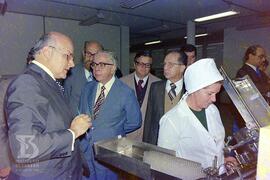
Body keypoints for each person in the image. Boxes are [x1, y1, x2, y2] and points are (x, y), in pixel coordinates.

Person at [5, 32, 91, 179]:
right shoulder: (27, 84)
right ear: (47, 52)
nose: (72, 64)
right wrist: (73, 132)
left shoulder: (48, 83)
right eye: (68, 56)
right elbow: (25, 148)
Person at [158, 58, 236, 174]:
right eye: (210, 94)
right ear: (194, 90)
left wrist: (223, 159)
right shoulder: (171, 120)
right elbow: (165, 163)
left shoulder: (213, 110)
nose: (214, 99)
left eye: (216, 93)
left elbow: (215, 143)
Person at [79, 50, 142, 180]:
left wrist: (114, 130)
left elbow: (135, 121)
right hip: (86, 149)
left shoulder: (125, 92)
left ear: (113, 68)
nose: (96, 68)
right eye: (94, 64)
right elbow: (81, 112)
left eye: (102, 64)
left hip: (109, 150)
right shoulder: (88, 87)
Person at [143, 51, 187, 145]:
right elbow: (149, 119)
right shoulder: (155, 87)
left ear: (182, 68)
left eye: (170, 64)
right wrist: (145, 145)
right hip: (157, 143)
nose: (165, 67)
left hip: (180, 145)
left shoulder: (189, 90)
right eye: (165, 64)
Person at [121, 51, 160, 141]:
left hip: (147, 136)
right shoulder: (122, 82)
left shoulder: (158, 84)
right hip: (126, 134)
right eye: (140, 64)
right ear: (134, 64)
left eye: (147, 65)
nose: (143, 67)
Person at [64, 41, 103, 116]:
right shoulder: (70, 73)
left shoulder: (106, 76)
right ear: (83, 54)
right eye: (88, 53)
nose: (91, 58)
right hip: (75, 123)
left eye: (96, 55)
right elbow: (64, 100)